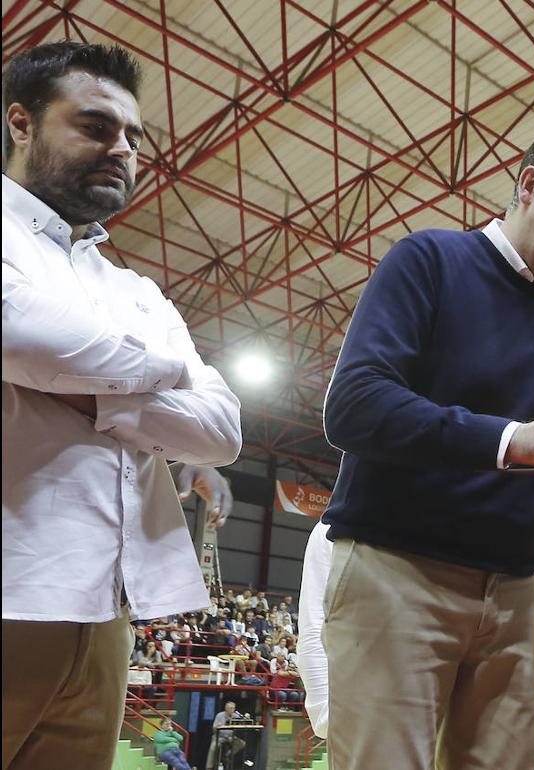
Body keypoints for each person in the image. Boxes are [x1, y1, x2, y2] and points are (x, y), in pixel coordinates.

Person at [319, 125, 534, 770]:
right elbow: (354, 407)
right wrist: (517, 439)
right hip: (397, 570)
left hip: (515, 589)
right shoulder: (429, 261)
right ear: (527, 184)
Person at [1, 42, 242, 770]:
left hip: (109, 608)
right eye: (97, 126)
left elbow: (222, 429)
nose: (123, 149)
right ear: (21, 123)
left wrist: (93, 394)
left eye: (133, 136)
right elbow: (24, 334)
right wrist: (168, 373)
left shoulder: (134, 289)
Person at [297, 520, 534, 739]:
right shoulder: (339, 525)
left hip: (472, 705)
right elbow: (314, 625)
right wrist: (326, 711)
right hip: (384, 706)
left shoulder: (485, 513)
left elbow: (529, 582)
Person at [205, 701, 246, 770]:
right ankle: (209, 767)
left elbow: (242, 722)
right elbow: (214, 729)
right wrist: (218, 726)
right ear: (226, 709)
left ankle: (227, 755)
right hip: (219, 737)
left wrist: (243, 720)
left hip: (230, 737)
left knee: (242, 743)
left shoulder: (235, 716)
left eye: (233, 708)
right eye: (230, 708)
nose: (232, 710)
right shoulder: (219, 715)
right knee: (213, 747)